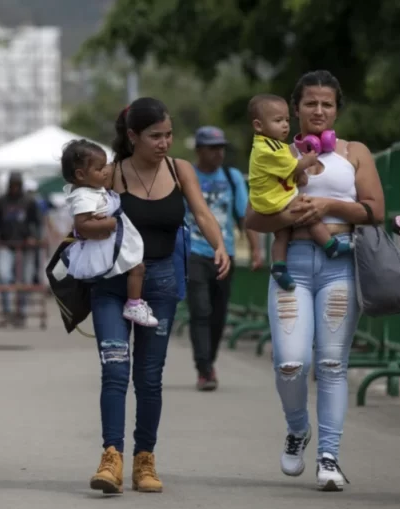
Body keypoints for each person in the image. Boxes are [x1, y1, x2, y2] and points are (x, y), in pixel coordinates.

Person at [244, 70, 384, 492]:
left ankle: (329, 456)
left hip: (341, 264)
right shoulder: (275, 151)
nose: (318, 110)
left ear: (337, 108)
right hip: (294, 267)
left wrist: (325, 204)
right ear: (295, 109)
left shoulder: (354, 151)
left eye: (327, 103)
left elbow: (376, 210)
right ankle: (297, 427)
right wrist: (292, 215)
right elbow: (252, 216)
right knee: (290, 362)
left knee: (330, 364)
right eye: (310, 103)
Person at [87, 98, 230, 494]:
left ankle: (144, 459)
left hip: (162, 280)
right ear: (132, 136)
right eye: (155, 136)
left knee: (149, 378)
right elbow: (83, 216)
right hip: (113, 284)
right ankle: (111, 457)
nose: (164, 143)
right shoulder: (112, 174)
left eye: (168, 134)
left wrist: (219, 245)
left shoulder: (179, 169)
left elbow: (201, 212)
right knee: (115, 370)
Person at [184, 126, 263, 391]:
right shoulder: (187, 176)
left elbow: (244, 216)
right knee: (201, 310)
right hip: (193, 252)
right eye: (212, 148)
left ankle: (209, 362)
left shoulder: (231, 177)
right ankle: (204, 369)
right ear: (199, 150)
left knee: (218, 314)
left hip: (223, 253)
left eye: (221, 148)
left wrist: (255, 249)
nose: (218, 153)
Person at [247, 94, 352, 291]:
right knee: (306, 207)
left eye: (286, 120)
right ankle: (330, 245)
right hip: (272, 200)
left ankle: (278, 266)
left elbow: (284, 172)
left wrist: (298, 175)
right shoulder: (269, 148)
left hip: (270, 197)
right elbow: (294, 166)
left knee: (282, 233)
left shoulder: (272, 144)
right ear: (259, 126)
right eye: (278, 121)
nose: (285, 125)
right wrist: (309, 159)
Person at [60, 139, 157, 326]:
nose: (106, 171)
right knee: (137, 267)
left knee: (137, 267)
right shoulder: (83, 196)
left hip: (107, 242)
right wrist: (110, 224)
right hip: (103, 246)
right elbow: (82, 225)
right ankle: (134, 304)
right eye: (99, 168)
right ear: (80, 175)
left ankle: (134, 303)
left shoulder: (93, 190)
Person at [0, 172, 41, 325]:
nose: (14, 189)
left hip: (25, 245)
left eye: (16, 185)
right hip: (6, 244)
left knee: (25, 279)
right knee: (4, 276)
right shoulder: (1, 202)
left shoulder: (29, 201)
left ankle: (22, 311)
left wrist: (34, 236)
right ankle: (7, 310)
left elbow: (37, 222)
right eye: (11, 185)